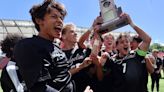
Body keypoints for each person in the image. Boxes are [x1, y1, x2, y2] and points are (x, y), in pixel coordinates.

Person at [13, 0, 74, 91]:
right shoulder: (28, 46)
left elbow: (63, 77)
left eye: (61, 18)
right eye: (54, 16)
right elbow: (39, 88)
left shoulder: (56, 47)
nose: (60, 21)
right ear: (39, 20)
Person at [102, 13, 151, 92]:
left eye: (127, 41)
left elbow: (147, 40)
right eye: (121, 42)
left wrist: (131, 23)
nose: (125, 43)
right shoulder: (112, 61)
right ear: (116, 46)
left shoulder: (137, 55)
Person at [60, 22, 103, 92]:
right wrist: (81, 66)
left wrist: (97, 37)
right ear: (63, 36)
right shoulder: (59, 55)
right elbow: (63, 75)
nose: (76, 33)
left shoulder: (82, 49)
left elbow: (93, 55)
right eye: (72, 32)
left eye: (76, 31)